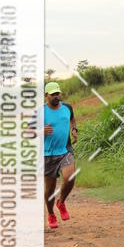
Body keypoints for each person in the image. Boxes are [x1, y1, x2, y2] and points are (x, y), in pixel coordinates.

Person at [43, 82, 78, 229]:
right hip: (47, 154)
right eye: (53, 94)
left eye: (58, 93)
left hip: (65, 150)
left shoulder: (67, 107)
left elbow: (72, 119)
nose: (57, 96)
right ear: (46, 96)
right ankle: (51, 213)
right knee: (49, 190)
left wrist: (74, 129)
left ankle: (61, 202)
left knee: (70, 177)